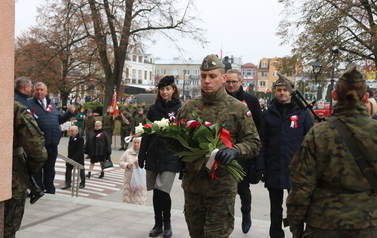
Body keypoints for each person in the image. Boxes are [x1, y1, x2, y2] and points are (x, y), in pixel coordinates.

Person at [172, 54, 261, 238]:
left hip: (221, 189)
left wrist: (235, 150)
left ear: (223, 78)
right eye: (203, 76)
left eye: (212, 76)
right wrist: (170, 140)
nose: (206, 81)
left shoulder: (238, 108)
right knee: (196, 234)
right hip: (193, 188)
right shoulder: (188, 108)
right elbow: (178, 143)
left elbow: (254, 142)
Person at [286, 64, 377, 238]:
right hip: (369, 224)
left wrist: (296, 227)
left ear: (334, 95)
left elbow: (301, 188)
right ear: (366, 98)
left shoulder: (318, 133)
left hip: (324, 225)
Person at [255, 77, 314, 238]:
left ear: (292, 91)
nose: (282, 93)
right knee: (275, 207)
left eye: (285, 90)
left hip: (296, 169)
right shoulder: (268, 114)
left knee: (297, 206)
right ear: (275, 91)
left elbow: (311, 141)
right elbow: (262, 142)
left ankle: (298, 233)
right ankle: (276, 233)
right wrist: (260, 166)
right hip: (273, 166)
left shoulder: (303, 113)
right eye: (279, 89)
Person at [138, 75, 182, 238]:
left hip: (171, 155)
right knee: (156, 192)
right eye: (162, 89)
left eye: (168, 89)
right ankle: (157, 224)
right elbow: (147, 132)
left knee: (163, 190)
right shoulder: (153, 109)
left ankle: (168, 224)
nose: (165, 92)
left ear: (173, 90)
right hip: (154, 154)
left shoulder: (179, 108)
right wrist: (141, 155)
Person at [224, 68, 263, 234]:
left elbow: (259, 127)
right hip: (223, 151)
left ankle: (246, 214)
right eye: (228, 82)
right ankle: (227, 220)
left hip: (243, 153)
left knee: (243, 189)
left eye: (234, 82)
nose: (231, 85)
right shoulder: (221, 99)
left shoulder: (251, 101)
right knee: (225, 190)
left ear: (241, 82)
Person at [5, 101, 47, 238]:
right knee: (6, 231)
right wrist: (26, 172)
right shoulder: (14, 108)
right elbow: (38, 153)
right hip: (10, 179)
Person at [28, 82, 75, 194]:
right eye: (37, 89)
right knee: (37, 169)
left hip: (52, 143)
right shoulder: (29, 103)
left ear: (46, 91)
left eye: (41, 89)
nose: (39, 92)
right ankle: (37, 190)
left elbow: (58, 119)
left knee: (50, 169)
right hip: (38, 145)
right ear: (33, 91)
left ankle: (50, 189)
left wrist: (69, 113)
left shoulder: (51, 104)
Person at [119, 137, 147, 205]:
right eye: (134, 142)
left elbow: (149, 164)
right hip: (129, 178)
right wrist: (127, 165)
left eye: (138, 143)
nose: (136, 144)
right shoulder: (127, 152)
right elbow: (121, 162)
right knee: (128, 198)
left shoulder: (145, 153)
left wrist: (140, 165)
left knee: (139, 198)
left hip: (140, 179)